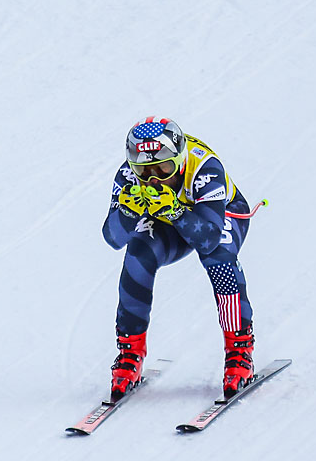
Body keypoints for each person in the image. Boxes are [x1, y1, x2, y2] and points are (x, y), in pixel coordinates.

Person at [102, 117, 255, 402]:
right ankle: (129, 352)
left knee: (218, 258)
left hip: (217, 217)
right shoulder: (127, 177)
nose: (154, 179)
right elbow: (113, 238)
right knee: (137, 256)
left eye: (164, 168)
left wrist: (175, 211)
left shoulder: (205, 167)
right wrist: (127, 213)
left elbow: (208, 238)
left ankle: (239, 349)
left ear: (180, 159)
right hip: (170, 221)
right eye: (143, 171)